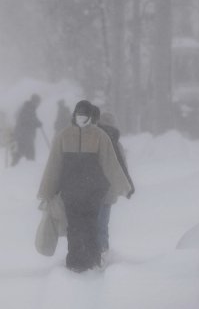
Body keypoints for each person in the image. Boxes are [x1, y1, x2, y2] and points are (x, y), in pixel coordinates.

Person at [38, 100, 132, 272]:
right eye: (79, 114)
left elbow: (110, 164)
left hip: (93, 191)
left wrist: (124, 186)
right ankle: (75, 261)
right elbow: (54, 165)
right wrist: (46, 191)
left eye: (84, 115)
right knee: (73, 226)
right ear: (75, 115)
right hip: (71, 190)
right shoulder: (64, 136)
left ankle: (92, 259)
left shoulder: (99, 136)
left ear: (90, 117)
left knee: (90, 225)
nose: (81, 118)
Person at [91, 106, 135, 255]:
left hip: (91, 188)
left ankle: (92, 252)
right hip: (108, 190)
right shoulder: (116, 143)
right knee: (103, 225)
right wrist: (128, 186)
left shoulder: (93, 140)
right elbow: (122, 167)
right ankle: (103, 252)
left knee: (91, 223)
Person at [11, 94, 43, 166]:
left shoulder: (29, 108)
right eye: (38, 102)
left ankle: (14, 164)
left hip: (23, 134)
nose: (38, 104)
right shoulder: (28, 108)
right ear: (34, 101)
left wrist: (37, 122)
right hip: (24, 135)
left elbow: (32, 119)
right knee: (30, 152)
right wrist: (36, 123)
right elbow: (27, 120)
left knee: (22, 151)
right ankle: (30, 167)